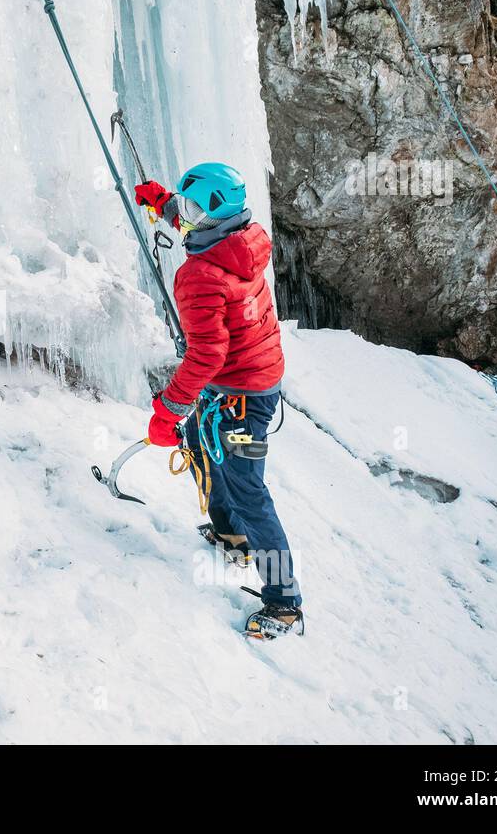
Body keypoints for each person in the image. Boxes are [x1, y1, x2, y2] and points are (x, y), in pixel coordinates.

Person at [134, 163, 304, 639]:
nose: (182, 216)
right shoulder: (245, 240)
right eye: (183, 208)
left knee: (249, 489)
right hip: (249, 378)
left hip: (241, 392)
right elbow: (201, 224)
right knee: (200, 442)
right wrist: (164, 203)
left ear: (212, 216)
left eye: (189, 209)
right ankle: (233, 537)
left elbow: (206, 354)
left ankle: (285, 602)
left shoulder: (199, 278)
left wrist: (167, 410)